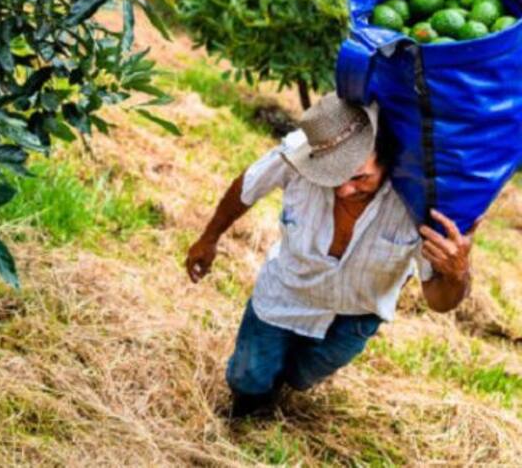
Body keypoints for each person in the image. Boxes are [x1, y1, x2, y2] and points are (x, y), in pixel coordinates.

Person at [186, 92, 477, 418]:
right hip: (286, 293)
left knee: (300, 377)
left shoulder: (419, 204)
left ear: (389, 159)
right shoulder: (300, 153)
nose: (343, 189)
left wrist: (457, 274)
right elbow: (248, 185)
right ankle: (250, 410)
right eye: (333, 176)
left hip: (355, 315)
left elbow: (439, 301)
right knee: (248, 378)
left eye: (359, 177)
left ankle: (280, 388)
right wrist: (209, 238)